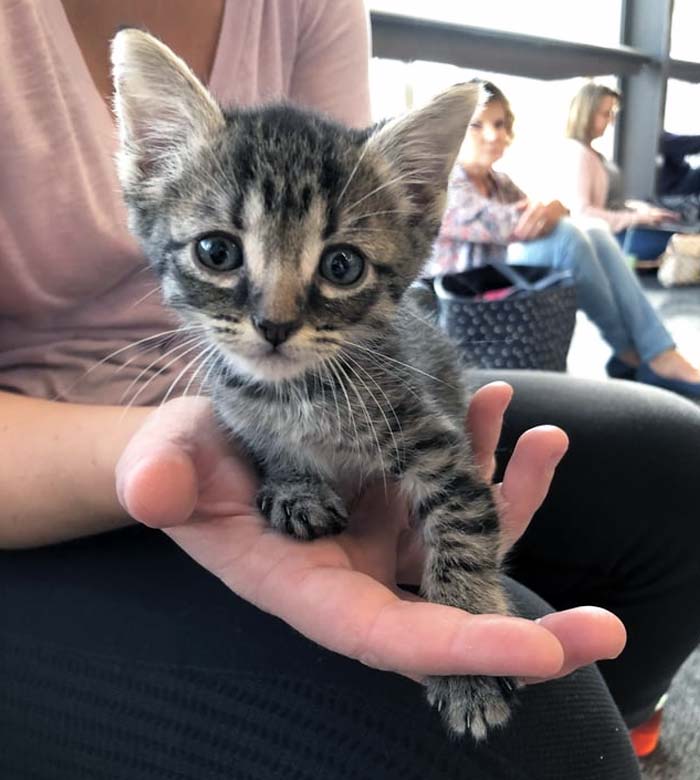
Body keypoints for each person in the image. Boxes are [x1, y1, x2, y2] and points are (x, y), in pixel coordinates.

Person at [1, 3, 699, 777]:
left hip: (334, 376)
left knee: (676, 460)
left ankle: (643, 725)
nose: (274, 317)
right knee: (535, 739)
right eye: (218, 251)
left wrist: (460, 585)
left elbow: (446, 472)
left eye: (337, 267)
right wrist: (221, 458)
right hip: (38, 488)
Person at [426, 80, 700, 398]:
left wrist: (555, 208)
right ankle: (632, 352)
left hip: (499, 281)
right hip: (460, 299)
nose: (493, 135)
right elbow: (512, 224)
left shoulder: (500, 182)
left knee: (593, 232)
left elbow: (542, 216)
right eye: (477, 126)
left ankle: (653, 351)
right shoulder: (444, 184)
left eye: (499, 124)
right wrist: (553, 210)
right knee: (569, 236)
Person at [560, 82, 678, 262]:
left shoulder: (593, 154)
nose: (610, 121)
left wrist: (645, 212)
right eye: (605, 114)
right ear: (587, 113)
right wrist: (637, 218)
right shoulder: (579, 155)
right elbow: (583, 213)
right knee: (678, 243)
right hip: (605, 239)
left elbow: (612, 203)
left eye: (612, 114)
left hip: (615, 232)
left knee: (678, 238)